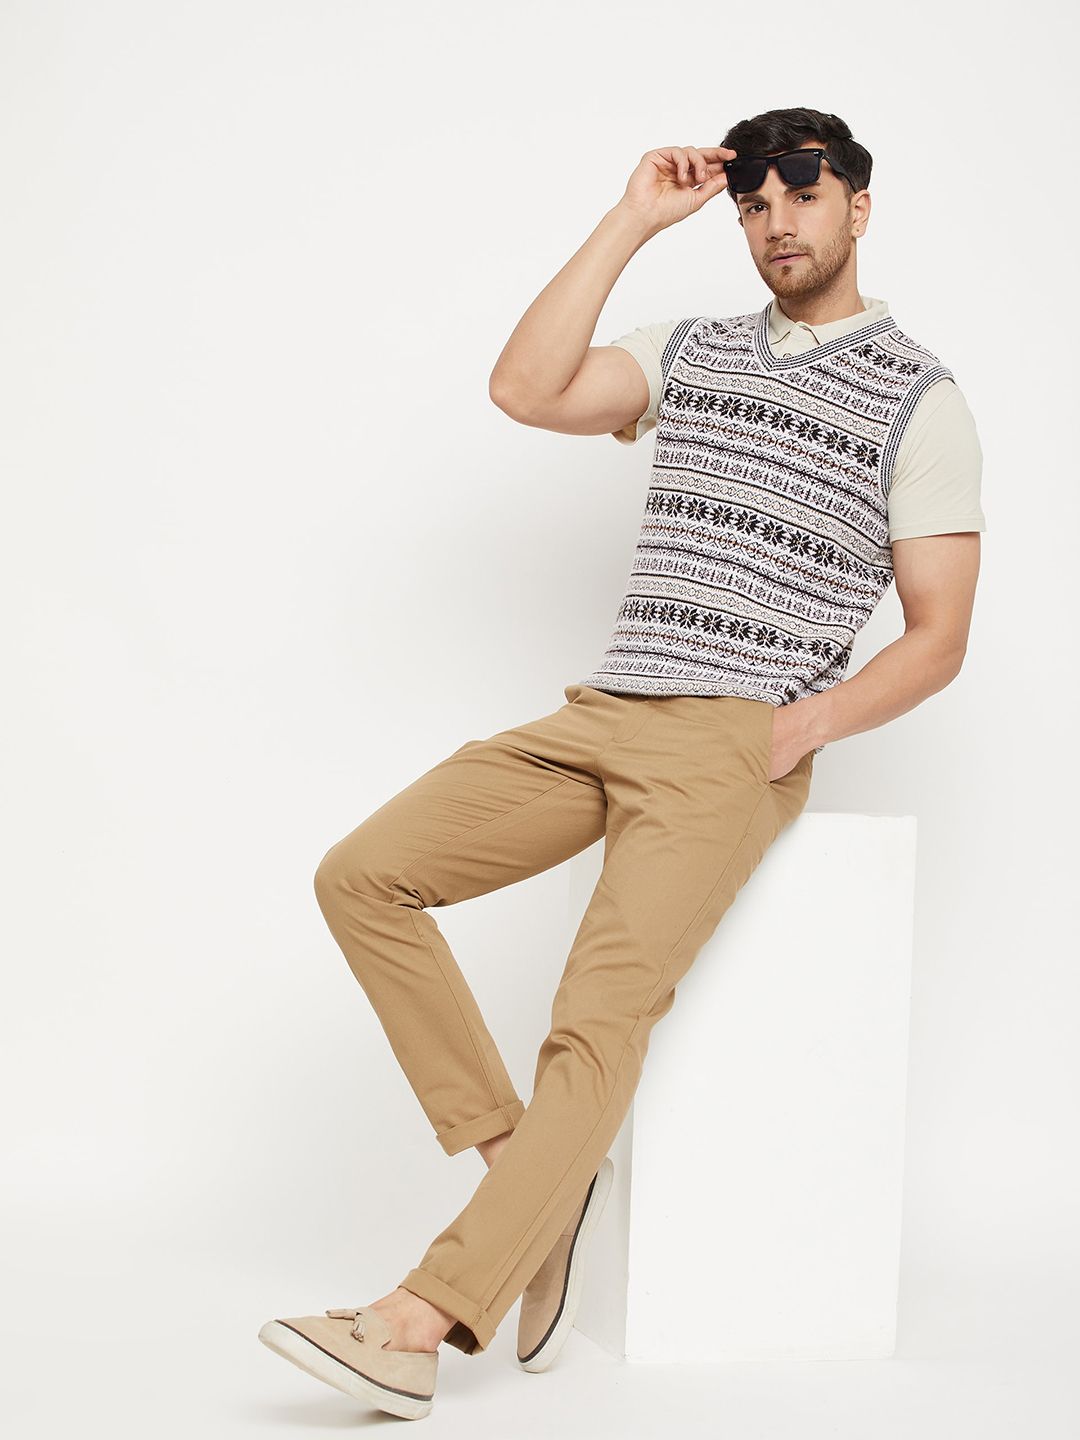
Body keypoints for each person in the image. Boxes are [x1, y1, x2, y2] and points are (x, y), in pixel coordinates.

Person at [258, 106, 985, 1420]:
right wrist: (634, 219)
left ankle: (419, 1324)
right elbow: (526, 390)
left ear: (859, 207)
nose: (777, 223)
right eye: (754, 204)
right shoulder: (693, 352)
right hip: (604, 711)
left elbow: (939, 637)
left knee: (596, 1019)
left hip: (732, 741)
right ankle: (534, 1179)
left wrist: (792, 732)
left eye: (804, 195)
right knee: (362, 877)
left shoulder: (919, 398)